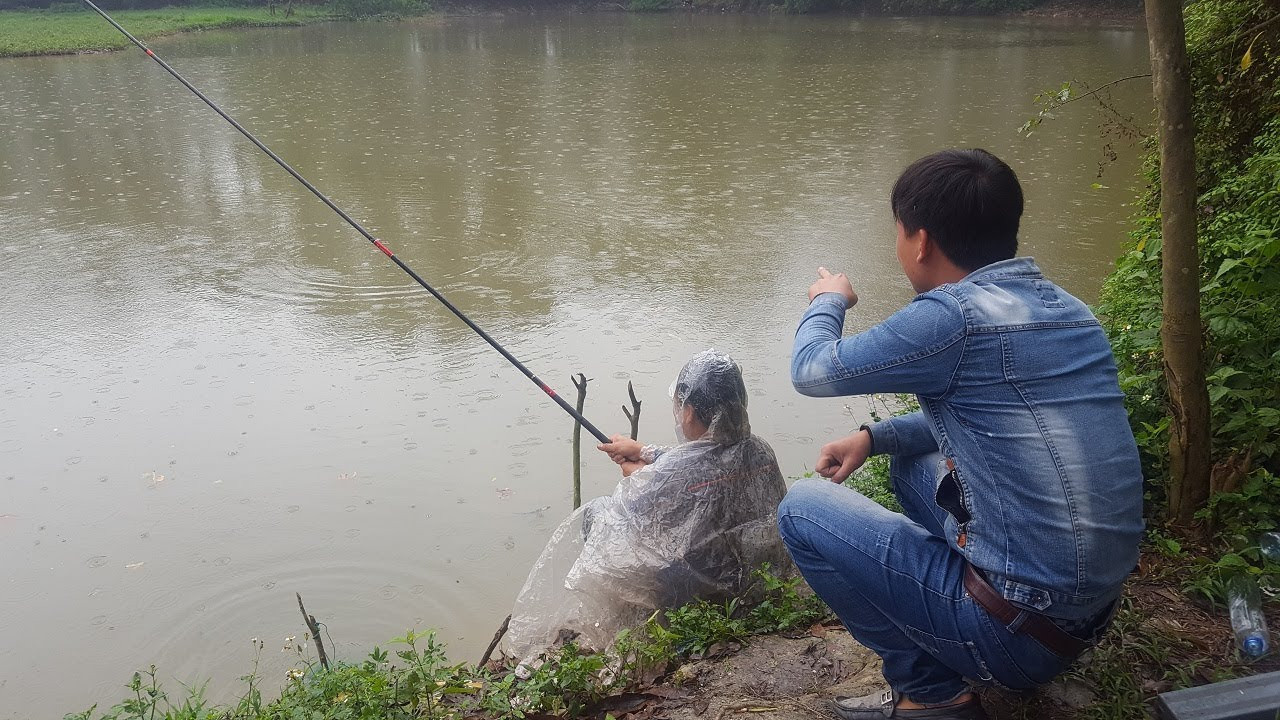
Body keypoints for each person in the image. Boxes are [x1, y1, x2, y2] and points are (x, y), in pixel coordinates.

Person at [777, 149, 1143, 720]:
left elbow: (812, 369)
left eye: (898, 233)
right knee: (908, 462)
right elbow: (998, 421)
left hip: (1018, 637)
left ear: (920, 242)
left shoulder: (949, 318)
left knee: (800, 509)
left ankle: (931, 693)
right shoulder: (1068, 310)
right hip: (1085, 615)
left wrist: (830, 298)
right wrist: (875, 437)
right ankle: (963, 603)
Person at [501, 350, 790, 663]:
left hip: (703, 585)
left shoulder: (675, 472)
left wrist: (636, 474)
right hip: (752, 576)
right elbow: (699, 460)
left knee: (598, 515)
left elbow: (638, 515)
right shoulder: (760, 449)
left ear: (690, 411)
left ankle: (646, 620)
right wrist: (642, 451)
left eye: (679, 407)